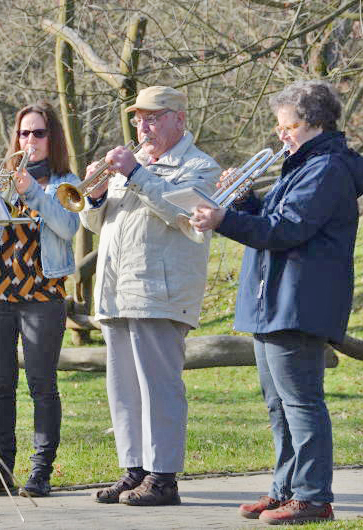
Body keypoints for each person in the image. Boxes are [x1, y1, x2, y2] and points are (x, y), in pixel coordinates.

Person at [190, 80, 363, 524]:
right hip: (274, 301)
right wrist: (245, 201)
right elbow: (271, 220)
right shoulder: (302, 165)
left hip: (299, 302)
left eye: (285, 125)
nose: (280, 134)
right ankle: (285, 489)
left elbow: (287, 231)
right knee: (278, 404)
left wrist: (224, 219)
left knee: (301, 403)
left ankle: (312, 497)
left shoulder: (326, 168)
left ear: (311, 122)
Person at [80, 86, 221, 506]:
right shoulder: (134, 163)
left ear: (180, 118)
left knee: (158, 387)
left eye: (154, 118)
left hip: (160, 291)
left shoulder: (201, 166)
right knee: (122, 388)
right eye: (139, 119)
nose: (143, 127)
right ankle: (135, 469)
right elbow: (92, 223)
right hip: (116, 291)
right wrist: (95, 194)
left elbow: (184, 216)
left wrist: (136, 176)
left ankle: (163, 477)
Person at [0, 101, 81, 498]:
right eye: (24, 133)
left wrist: (34, 194)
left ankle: (41, 472)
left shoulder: (65, 180)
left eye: (38, 133)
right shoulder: (3, 177)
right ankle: (1, 470)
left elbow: (66, 228)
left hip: (42, 294)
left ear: (53, 138)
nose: (29, 140)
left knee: (42, 385)